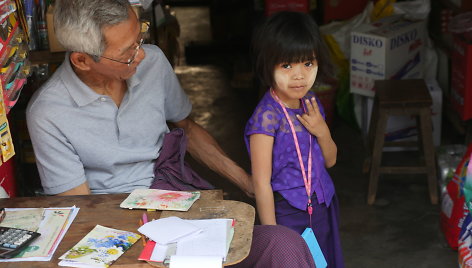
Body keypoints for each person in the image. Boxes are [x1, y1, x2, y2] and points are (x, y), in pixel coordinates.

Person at [26, 0, 316, 267]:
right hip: (115, 228)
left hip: (178, 205)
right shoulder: (48, 113)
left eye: (139, 39)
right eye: (126, 53)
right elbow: (83, 212)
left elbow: (186, 127)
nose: (140, 54)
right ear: (82, 60)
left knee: (283, 245)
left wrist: (247, 182)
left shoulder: (152, 63)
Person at [245, 11, 344, 267]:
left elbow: (331, 161)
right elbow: (262, 183)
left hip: (321, 206)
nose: (299, 75)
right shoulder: (266, 118)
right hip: (286, 213)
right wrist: (273, 236)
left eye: (308, 64)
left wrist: (322, 131)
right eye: (287, 65)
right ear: (268, 65)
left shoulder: (312, 104)